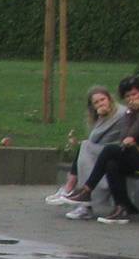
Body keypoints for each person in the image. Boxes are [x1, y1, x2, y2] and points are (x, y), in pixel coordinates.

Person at [82, 77, 139, 225]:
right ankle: (121, 207)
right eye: (127, 96)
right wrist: (130, 116)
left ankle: (87, 190)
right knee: (112, 164)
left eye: (134, 94)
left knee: (110, 150)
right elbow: (124, 137)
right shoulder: (131, 113)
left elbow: (132, 134)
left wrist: (130, 118)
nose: (131, 99)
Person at [47, 86, 127, 216]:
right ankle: (78, 196)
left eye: (103, 99)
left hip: (116, 150)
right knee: (85, 148)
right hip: (102, 150)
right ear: (92, 106)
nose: (101, 103)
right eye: (96, 102)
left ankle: (73, 191)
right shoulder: (104, 114)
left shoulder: (119, 113)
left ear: (109, 99)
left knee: (85, 146)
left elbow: (94, 138)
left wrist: (101, 118)